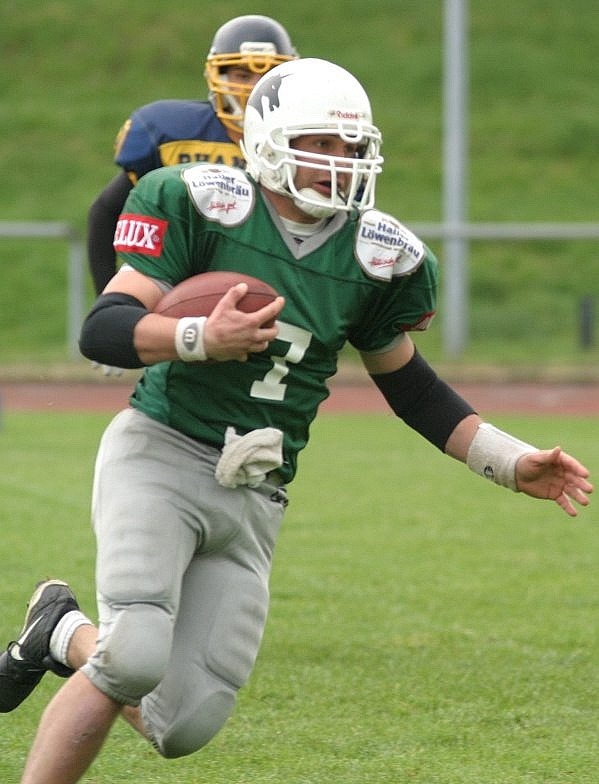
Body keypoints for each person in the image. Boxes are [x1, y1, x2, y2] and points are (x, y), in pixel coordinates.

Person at [0, 58, 592, 783]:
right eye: (320, 143)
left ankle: (62, 632)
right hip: (161, 454)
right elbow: (104, 329)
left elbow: (412, 389)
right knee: (135, 657)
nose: (338, 161)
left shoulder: (375, 255)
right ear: (269, 142)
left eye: (350, 146)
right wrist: (198, 337)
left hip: (256, 490)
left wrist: (508, 460)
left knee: (182, 724)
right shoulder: (202, 203)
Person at [87, 13, 299, 298]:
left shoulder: (310, 144)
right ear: (217, 76)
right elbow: (105, 211)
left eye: (268, 75)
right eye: (242, 75)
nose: (254, 87)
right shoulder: (172, 135)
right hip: (178, 289)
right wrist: (108, 302)